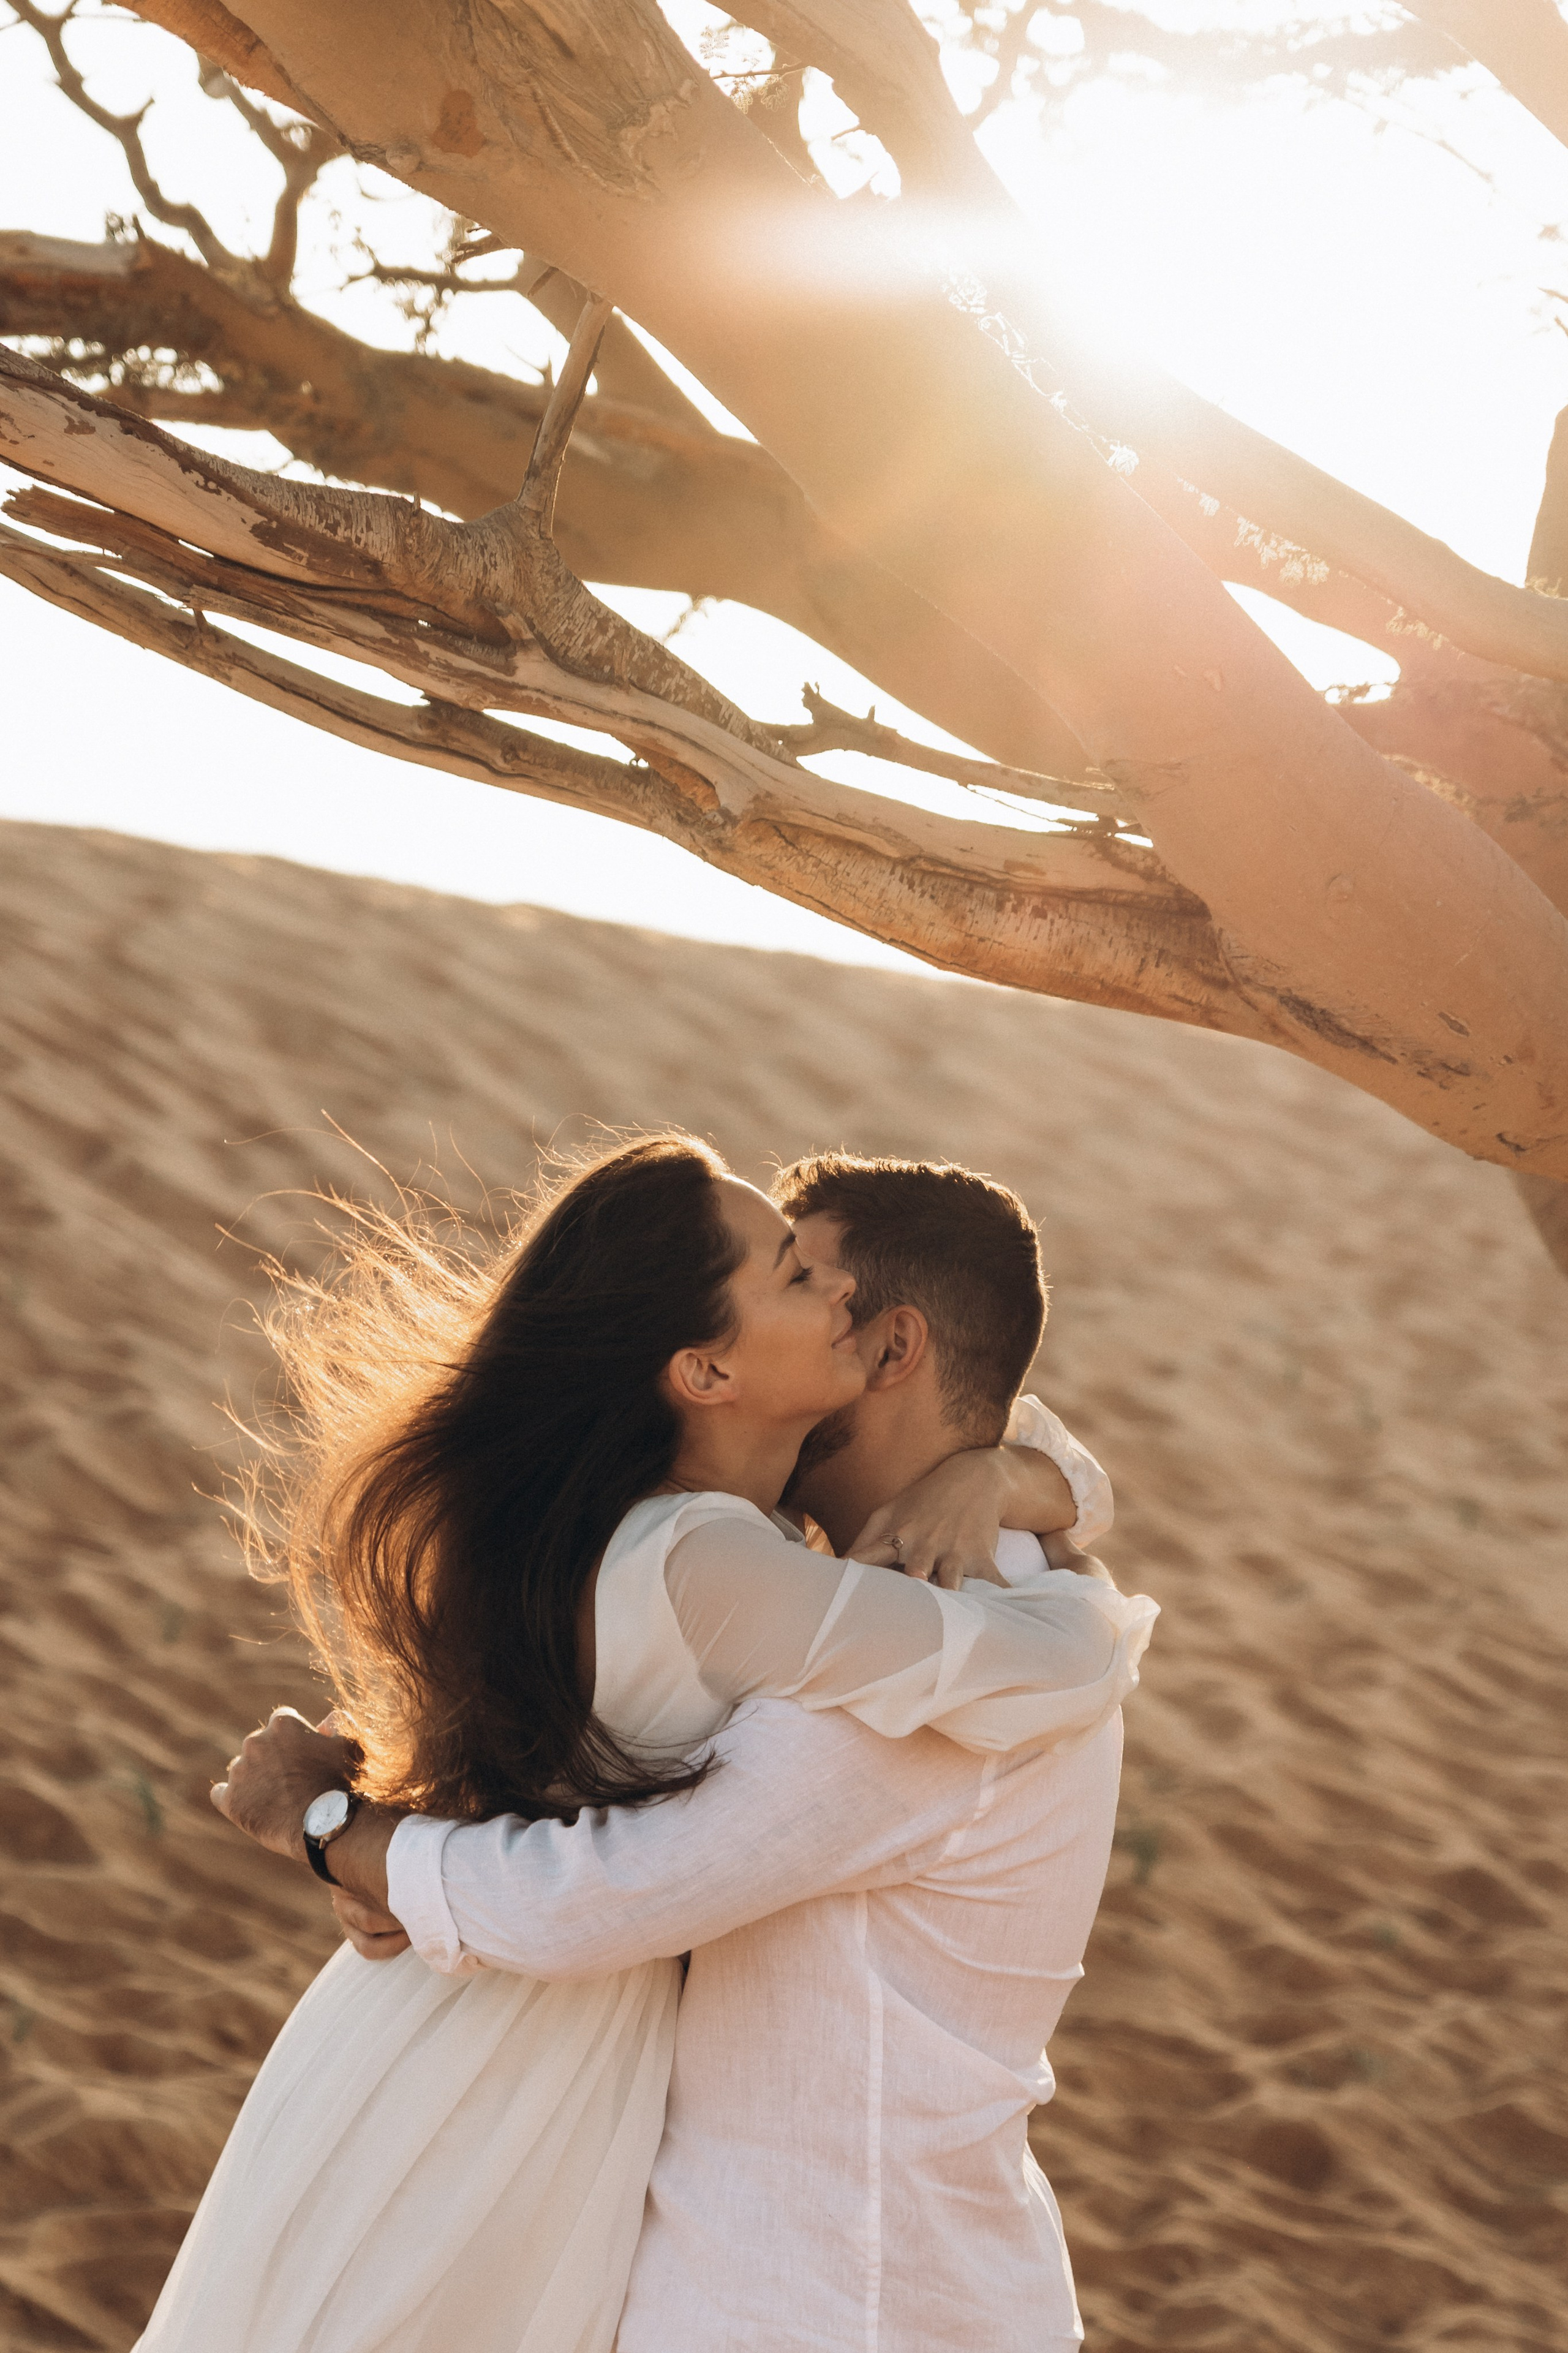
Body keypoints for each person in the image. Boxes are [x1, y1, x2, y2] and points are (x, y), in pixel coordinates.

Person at [150, 1135, 1150, 2353]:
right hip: (534, 2094)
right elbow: (1066, 1651)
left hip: (832, 2298)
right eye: (792, 1277)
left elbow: (594, 1898)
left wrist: (345, 1836)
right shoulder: (768, 1571)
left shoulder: (823, 1602)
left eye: (823, 1277)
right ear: (702, 1369)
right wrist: (348, 1839)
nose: (826, 1296)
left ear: (892, 1350)